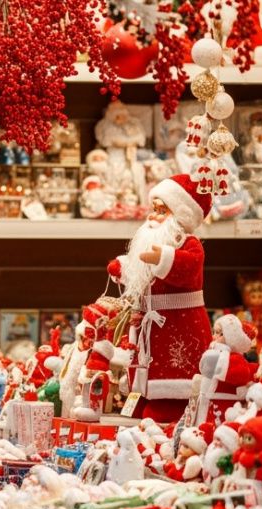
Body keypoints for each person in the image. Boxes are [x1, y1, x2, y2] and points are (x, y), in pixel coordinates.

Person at [106, 173, 214, 423]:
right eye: (153, 209)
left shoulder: (189, 243)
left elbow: (190, 267)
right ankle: (145, 395)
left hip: (180, 321)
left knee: (173, 364)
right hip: (152, 321)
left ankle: (172, 402)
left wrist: (164, 258)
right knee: (148, 362)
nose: (152, 216)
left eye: (161, 211)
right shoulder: (152, 240)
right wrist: (124, 269)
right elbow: (142, 271)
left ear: (180, 215)